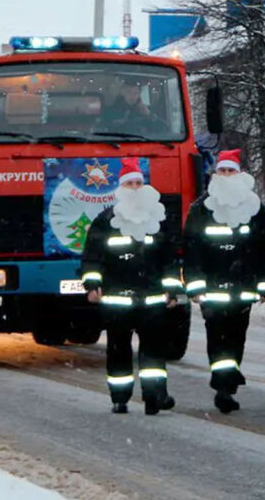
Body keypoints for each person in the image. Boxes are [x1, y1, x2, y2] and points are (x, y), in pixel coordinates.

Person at [80, 157, 183, 415]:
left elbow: (170, 261)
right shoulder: (105, 221)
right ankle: (120, 396)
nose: (135, 188)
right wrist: (92, 284)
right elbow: (93, 257)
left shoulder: (158, 221)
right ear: (121, 189)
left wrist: (173, 290)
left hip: (153, 301)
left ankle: (154, 396)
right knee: (118, 351)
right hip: (117, 301)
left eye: (139, 183)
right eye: (130, 184)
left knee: (154, 353)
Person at [183, 149, 265, 412]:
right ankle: (223, 385)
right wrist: (195, 284)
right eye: (221, 171)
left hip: (243, 286)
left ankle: (229, 374)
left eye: (230, 171)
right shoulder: (202, 208)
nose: (225, 175)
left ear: (239, 174)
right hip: (212, 287)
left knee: (237, 335)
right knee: (217, 335)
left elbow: (263, 247)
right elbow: (193, 249)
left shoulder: (254, 208)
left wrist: (264, 282)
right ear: (215, 174)